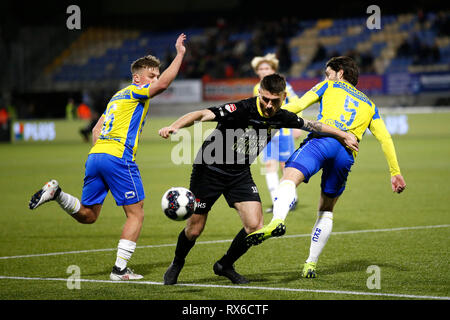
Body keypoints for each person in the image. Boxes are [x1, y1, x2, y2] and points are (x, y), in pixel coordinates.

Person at [158, 73, 358, 285]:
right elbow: (201, 114)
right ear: (259, 93)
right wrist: (175, 126)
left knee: (255, 226)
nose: (269, 105)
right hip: (209, 170)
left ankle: (225, 264)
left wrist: (342, 135)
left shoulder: (282, 116)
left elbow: (312, 125)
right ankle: (177, 263)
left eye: (275, 101)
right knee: (194, 229)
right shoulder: (241, 109)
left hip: (239, 173)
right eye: (265, 99)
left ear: (283, 97)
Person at [28, 33, 187, 281]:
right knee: (136, 213)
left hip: (96, 156)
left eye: (156, 76)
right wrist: (180, 55)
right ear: (137, 78)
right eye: (151, 76)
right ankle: (120, 270)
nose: (155, 80)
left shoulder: (116, 97)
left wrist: (101, 155)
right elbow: (165, 85)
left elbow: (95, 130)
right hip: (118, 157)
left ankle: (57, 194)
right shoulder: (136, 92)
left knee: (89, 215)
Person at [246, 56, 407, 279]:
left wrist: (268, 112)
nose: (326, 76)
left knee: (289, 178)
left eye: (328, 72)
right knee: (326, 210)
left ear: (339, 73)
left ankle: (278, 221)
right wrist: (395, 172)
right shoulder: (370, 105)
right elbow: (386, 138)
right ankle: (310, 264)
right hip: (346, 155)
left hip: (321, 141)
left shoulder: (330, 85)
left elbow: (299, 105)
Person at [251, 53, 303, 213]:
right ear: (257, 72)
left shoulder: (284, 86)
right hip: (266, 133)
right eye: (261, 69)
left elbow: (296, 103)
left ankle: (291, 198)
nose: (264, 71)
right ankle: (277, 201)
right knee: (269, 165)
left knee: (285, 166)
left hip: (284, 132)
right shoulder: (256, 88)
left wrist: (297, 125)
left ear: (273, 70)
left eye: (267, 68)